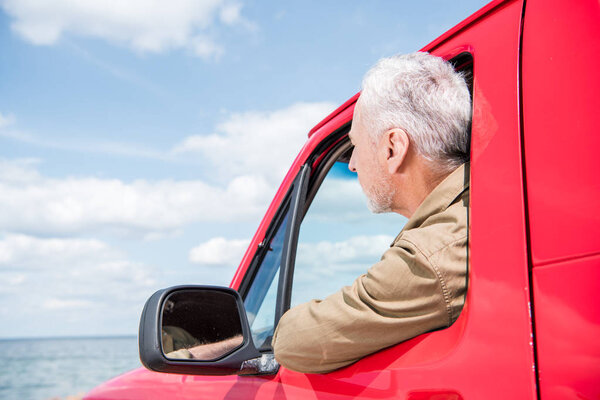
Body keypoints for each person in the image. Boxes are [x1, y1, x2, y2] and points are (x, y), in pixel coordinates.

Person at [271, 52, 471, 374]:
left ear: (393, 148)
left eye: (355, 147)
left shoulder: (433, 254)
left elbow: (295, 341)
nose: (352, 164)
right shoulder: (470, 213)